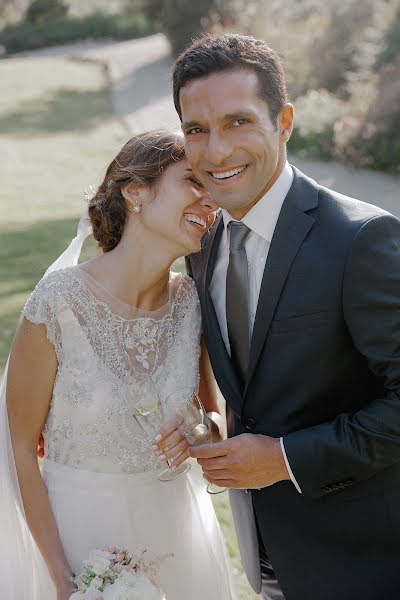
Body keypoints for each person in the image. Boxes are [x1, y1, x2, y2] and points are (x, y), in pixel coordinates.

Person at [158, 33, 400, 600]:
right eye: (196, 129)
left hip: (369, 566)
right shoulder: (203, 244)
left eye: (238, 122)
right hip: (269, 564)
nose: (215, 151)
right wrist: (217, 426)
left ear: (284, 121)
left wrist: (284, 459)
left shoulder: (361, 239)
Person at [2, 130, 235, 600]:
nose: (210, 199)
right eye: (192, 180)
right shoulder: (59, 302)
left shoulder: (192, 302)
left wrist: (198, 432)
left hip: (179, 537)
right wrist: (65, 582)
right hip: (79, 543)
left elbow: (213, 423)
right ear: (136, 193)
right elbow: (20, 449)